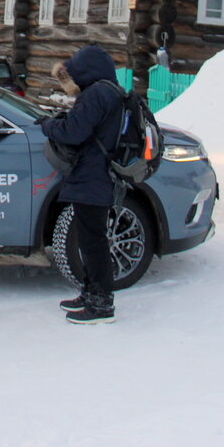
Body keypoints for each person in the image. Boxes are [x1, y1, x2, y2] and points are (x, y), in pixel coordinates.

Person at [40, 44, 127, 324]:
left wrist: (48, 125)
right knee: (91, 240)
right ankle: (91, 293)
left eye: (75, 72)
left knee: (93, 242)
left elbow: (74, 132)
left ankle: (101, 306)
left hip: (92, 176)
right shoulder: (110, 91)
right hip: (97, 174)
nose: (73, 79)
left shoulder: (95, 95)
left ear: (86, 70)